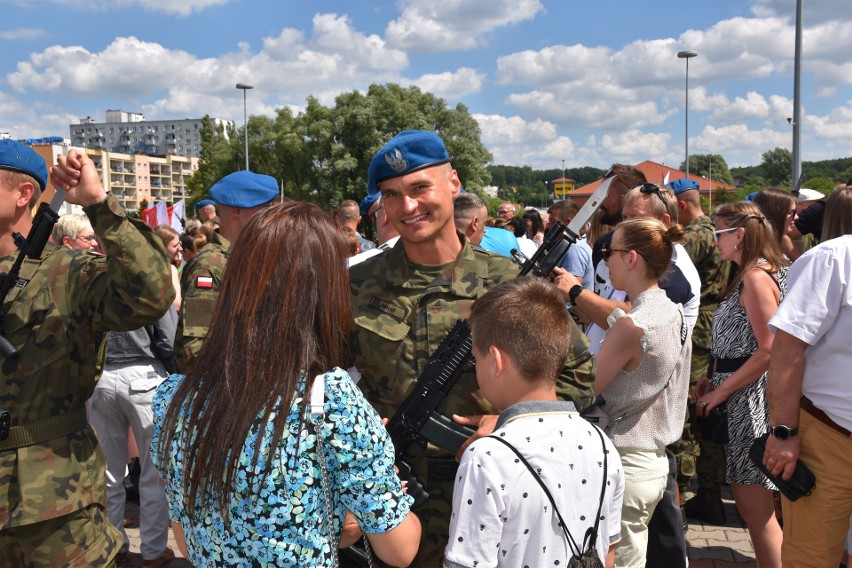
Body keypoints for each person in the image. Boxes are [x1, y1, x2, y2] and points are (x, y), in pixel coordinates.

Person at [349, 130, 595, 565]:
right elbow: (312, 383)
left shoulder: (510, 284)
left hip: (493, 500)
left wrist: (510, 422)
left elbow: (579, 378)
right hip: (391, 503)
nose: (407, 207)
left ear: (454, 184)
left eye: (420, 188)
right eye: (391, 195)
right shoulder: (355, 285)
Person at [152, 202, 421, 566]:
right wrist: (379, 472)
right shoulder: (332, 399)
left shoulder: (176, 398)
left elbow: (184, 539)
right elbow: (400, 550)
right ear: (324, 290)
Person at [0, 141, 174, 565]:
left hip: (48, 502)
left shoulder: (63, 271)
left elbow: (150, 294)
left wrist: (98, 203)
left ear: (24, 194)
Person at [445, 278, 624, 568]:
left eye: (475, 358)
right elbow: (609, 551)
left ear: (495, 360)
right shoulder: (603, 444)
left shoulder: (485, 458)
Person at [557, 218, 691, 567]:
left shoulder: (634, 326)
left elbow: (582, 392)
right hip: (652, 460)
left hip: (624, 460)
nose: (604, 260)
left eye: (609, 252)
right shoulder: (671, 312)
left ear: (631, 258)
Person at [763, 187, 852, 568]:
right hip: (831, 436)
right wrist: (783, 433)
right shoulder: (833, 258)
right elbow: (785, 350)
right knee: (812, 560)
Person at [695, 201, 787, 567]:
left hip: (748, 405)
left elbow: (769, 350)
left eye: (719, 234)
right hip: (740, 395)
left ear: (740, 235)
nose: (715, 242)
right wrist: (713, 374)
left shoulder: (754, 277)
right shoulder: (753, 273)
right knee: (756, 509)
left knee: (756, 511)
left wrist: (722, 389)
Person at [88, 305, 178, 568]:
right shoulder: (148, 278)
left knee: (108, 473)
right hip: (145, 376)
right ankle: (152, 552)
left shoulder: (96, 276)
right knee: (154, 473)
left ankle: (115, 549)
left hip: (101, 377)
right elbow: (169, 337)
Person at [669, 178, 732, 524]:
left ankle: (688, 492)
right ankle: (709, 492)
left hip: (700, 324)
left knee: (693, 413)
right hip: (715, 321)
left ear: (680, 205)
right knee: (705, 412)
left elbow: (669, 268)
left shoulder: (695, 235)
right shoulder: (715, 230)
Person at [175, 170, 278, 370]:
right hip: (221, 390)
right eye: (264, 210)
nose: (270, 218)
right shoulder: (209, 267)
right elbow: (194, 350)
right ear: (237, 211)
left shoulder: (246, 258)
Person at [547, 200, 594, 291]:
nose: (548, 226)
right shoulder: (565, 245)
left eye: (553, 221)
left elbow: (572, 289)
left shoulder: (574, 248)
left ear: (568, 222)